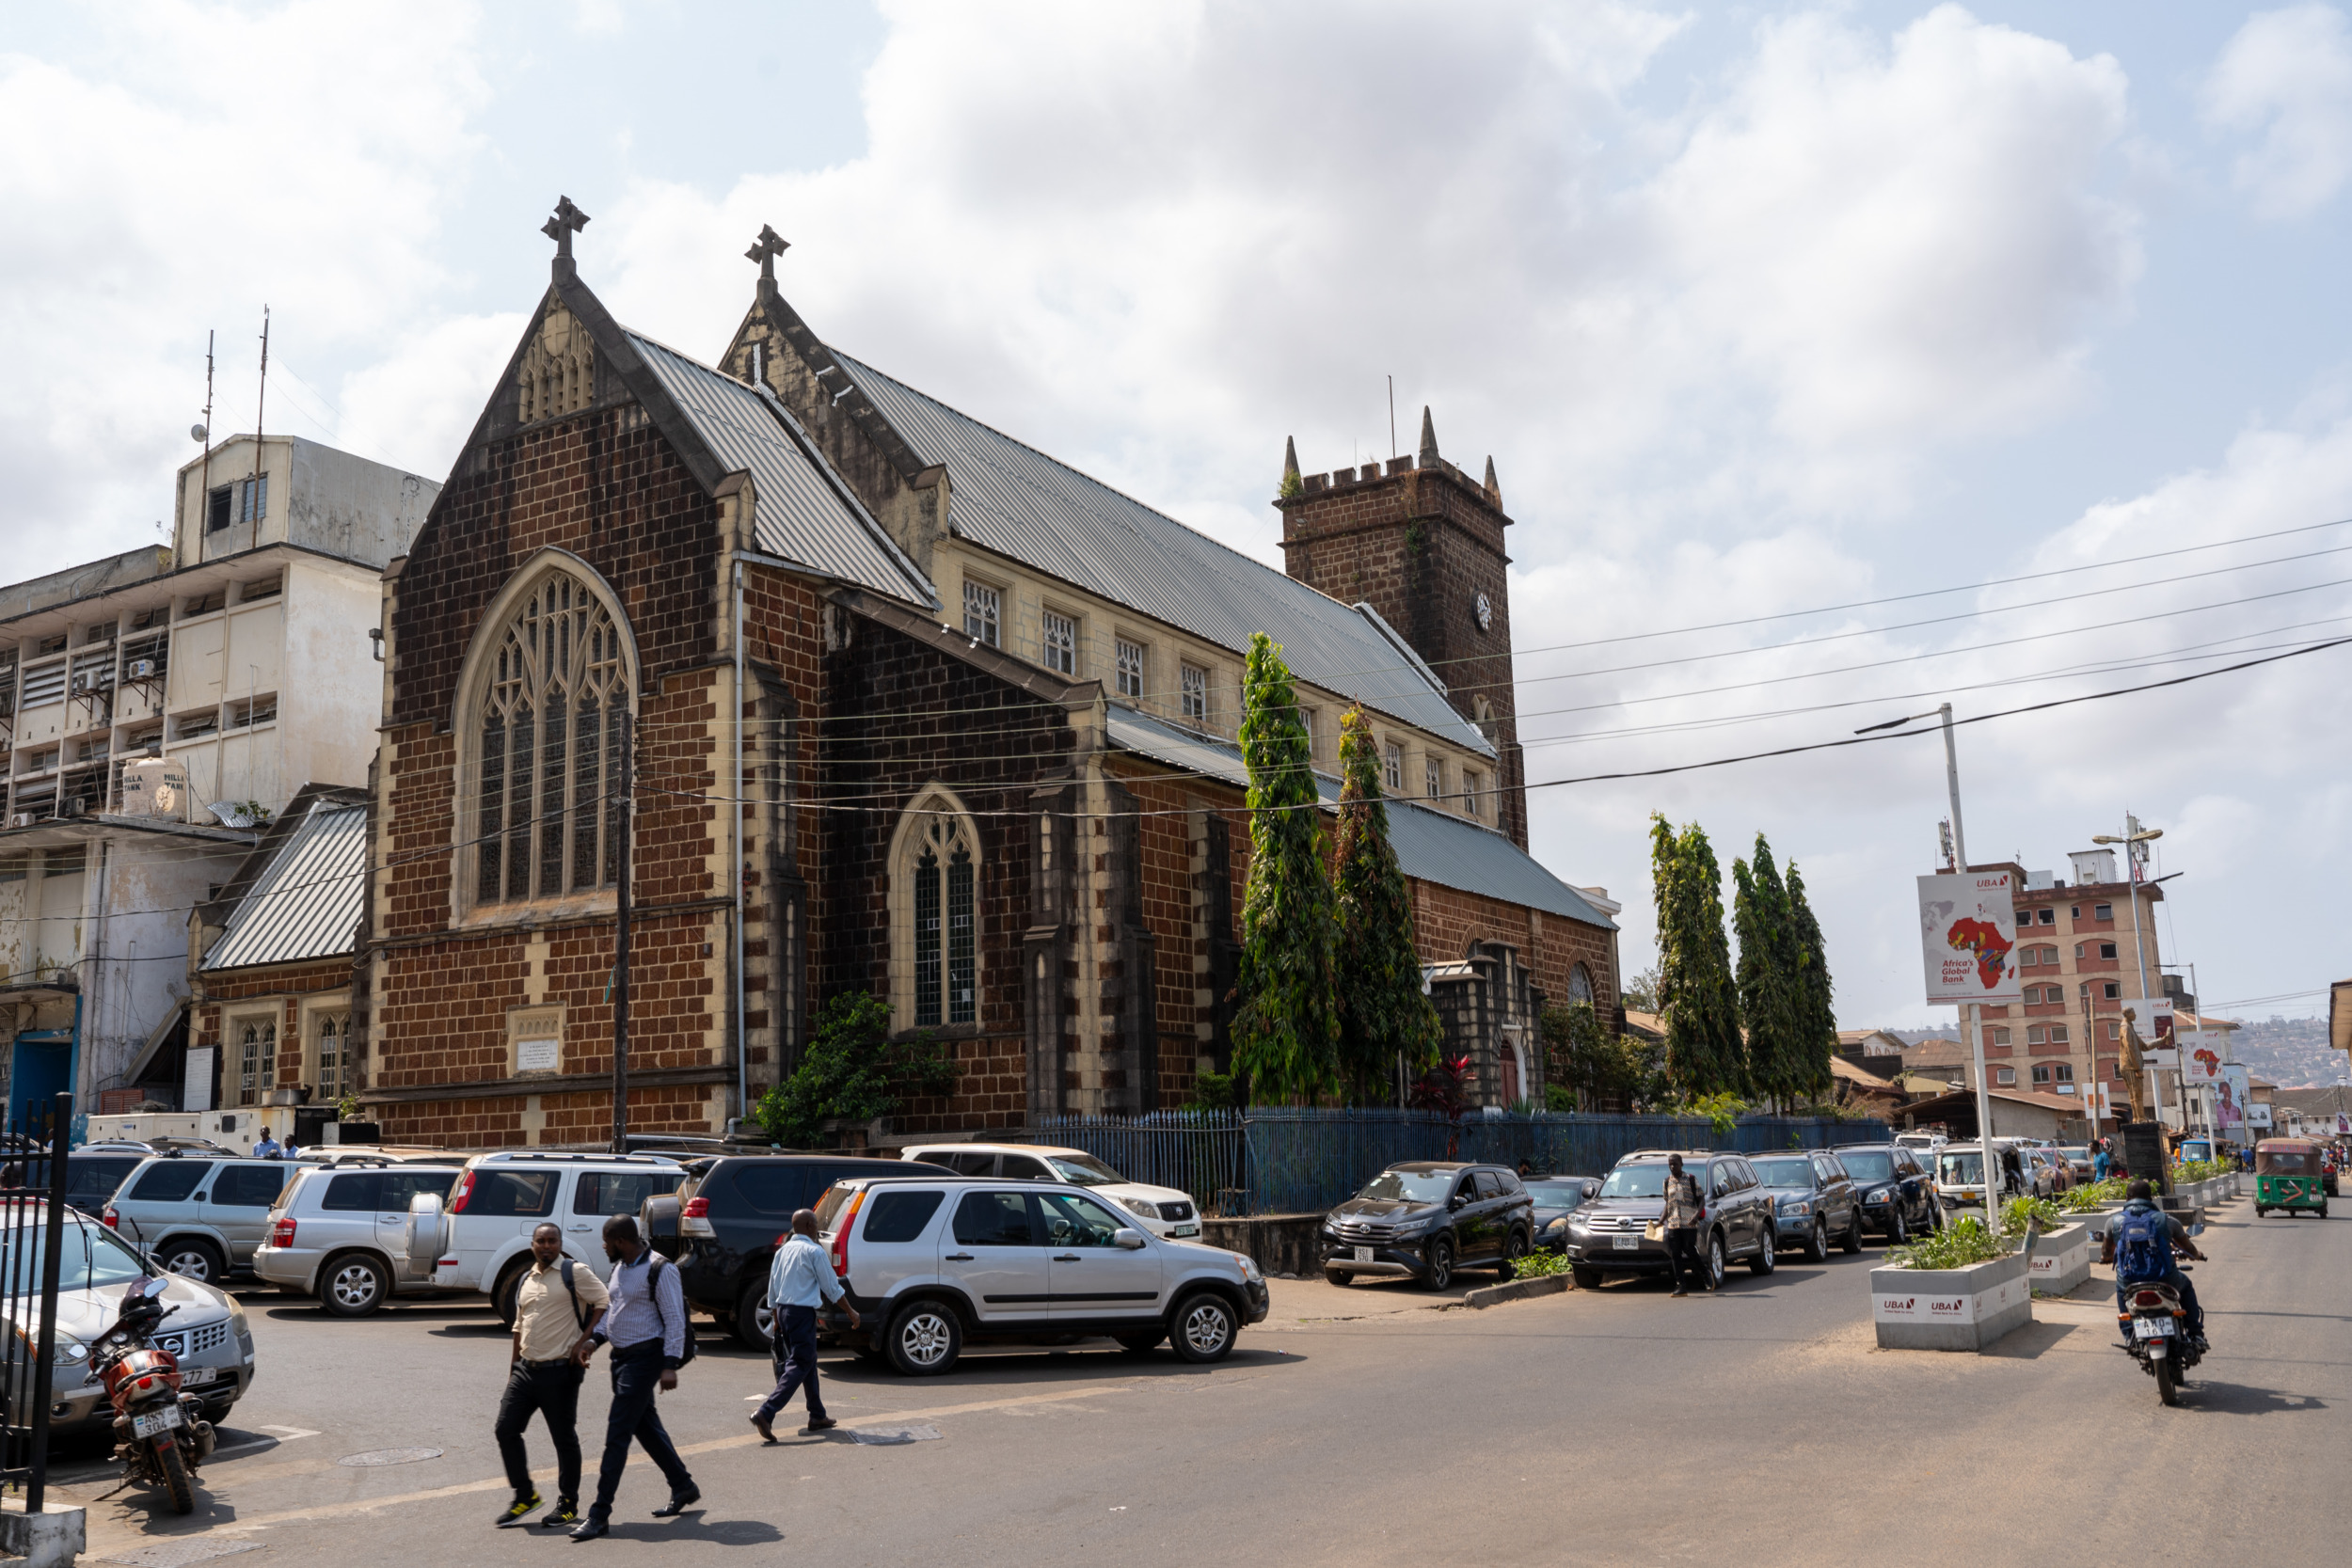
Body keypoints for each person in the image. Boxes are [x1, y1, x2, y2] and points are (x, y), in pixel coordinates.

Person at [572, 1216, 697, 1542]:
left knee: (617, 1434)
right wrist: (593, 1341)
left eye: (606, 1241)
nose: (603, 1246)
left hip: (645, 1360)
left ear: (621, 1241)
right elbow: (615, 1311)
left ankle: (599, 1514)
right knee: (645, 1426)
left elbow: (674, 1320)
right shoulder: (621, 1268)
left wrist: (669, 1364)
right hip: (622, 1359)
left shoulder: (660, 1269)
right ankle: (683, 1486)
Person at [494, 1222, 608, 1530]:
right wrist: (513, 1369)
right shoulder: (526, 1279)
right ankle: (525, 1495)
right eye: (541, 1241)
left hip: (560, 1372)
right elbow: (518, 1326)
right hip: (525, 1371)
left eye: (552, 1241)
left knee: (563, 1439)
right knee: (506, 1430)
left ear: (560, 1243)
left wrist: (586, 1340)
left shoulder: (575, 1272)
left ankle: (568, 1504)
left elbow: (604, 1302)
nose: (547, 1246)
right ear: (532, 1245)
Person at [751, 1209, 860, 1442]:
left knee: (807, 1361)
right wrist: (851, 1312)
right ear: (810, 1226)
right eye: (817, 1225)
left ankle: (817, 1415)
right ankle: (766, 1412)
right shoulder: (814, 1251)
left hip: (784, 1311)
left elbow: (773, 1286)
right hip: (801, 1314)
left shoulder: (783, 1251)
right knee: (801, 1362)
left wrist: (777, 1317)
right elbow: (832, 1288)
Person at [2100, 1179, 2206, 1350]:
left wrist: (2106, 1259)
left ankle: (2129, 1336)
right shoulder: (2167, 1221)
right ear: (2151, 1198)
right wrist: (2197, 1255)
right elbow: (2188, 1248)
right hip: (2165, 1279)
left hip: (2130, 1281)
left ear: (2127, 1198)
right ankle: (2195, 1334)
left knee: (2121, 1290)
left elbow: (2105, 1253)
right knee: (2185, 1285)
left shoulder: (2114, 1222)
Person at [1661, 1153, 1707, 1298]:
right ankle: (1681, 1285)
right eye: (1670, 1164)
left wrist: (1696, 1215)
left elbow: (1701, 1200)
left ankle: (1705, 1273)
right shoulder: (1667, 1182)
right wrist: (1661, 1221)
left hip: (1689, 1222)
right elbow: (1668, 1204)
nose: (1672, 1167)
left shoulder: (1691, 1179)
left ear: (1682, 1164)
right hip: (1673, 1223)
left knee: (1689, 1249)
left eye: (1675, 1164)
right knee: (1675, 1254)